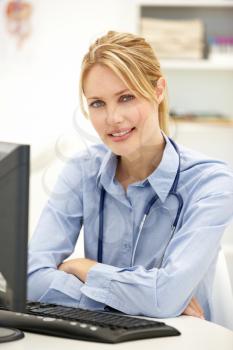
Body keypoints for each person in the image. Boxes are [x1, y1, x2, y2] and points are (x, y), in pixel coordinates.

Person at [28, 31, 233, 324]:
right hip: (107, 339)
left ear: (159, 90)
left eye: (126, 97)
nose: (112, 118)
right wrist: (141, 303)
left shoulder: (211, 184)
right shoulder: (82, 170)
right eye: (98, 103)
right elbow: (31, 275)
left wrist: (84, 267)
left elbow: (165, 296)